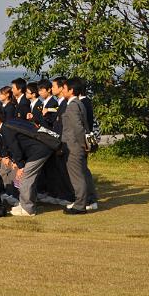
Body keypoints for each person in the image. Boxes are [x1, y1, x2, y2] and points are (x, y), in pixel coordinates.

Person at [0, 106, 54, 217]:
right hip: (36, 151)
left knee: (26, 177)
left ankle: (28, 209)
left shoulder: (6, 128)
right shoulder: (7, 125)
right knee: (28, 178)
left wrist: (21, 166)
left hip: (38, 151)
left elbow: (15, 148)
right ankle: (26, 204)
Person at [62, 78, 99, 214]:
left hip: (74, 146)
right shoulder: (80, 103)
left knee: (77, 176)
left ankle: (80, 205)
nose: (62, 91)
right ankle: (84, 201)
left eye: (64, 88)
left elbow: (77, 128)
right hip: (78, 145)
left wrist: (81, 144)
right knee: (82, 174)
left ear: (71, 90)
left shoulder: (72, 105)